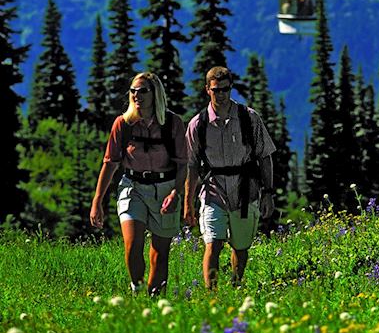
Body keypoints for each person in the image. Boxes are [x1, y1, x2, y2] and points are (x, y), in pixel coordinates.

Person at [90, 72, 187, 296]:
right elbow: (110, 163)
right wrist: (97, 201)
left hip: (165, 189)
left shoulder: (172, 123)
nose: (136, 95)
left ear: (155, 94)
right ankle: (137, 288)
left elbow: (183, 164)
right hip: (132, 187)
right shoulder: (123, 124)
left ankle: (154, 298)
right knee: (133, 246)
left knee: (160, 253)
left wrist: (176, 193)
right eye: (133, 90)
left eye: (143, 91)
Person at [184, 66, 276, 289]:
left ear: (231, 88)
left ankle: (236, 285)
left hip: (245, 188)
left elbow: (265, 157)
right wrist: (188, 203)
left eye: (225, 89)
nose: (221, 94)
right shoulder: (198, 124)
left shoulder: (249, 118)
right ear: (208, 90)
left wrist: (268, 193)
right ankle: (212, 294)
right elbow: (191, 165)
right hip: (214, 188)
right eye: (216, 90)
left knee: (241, 245)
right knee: (212, 243)